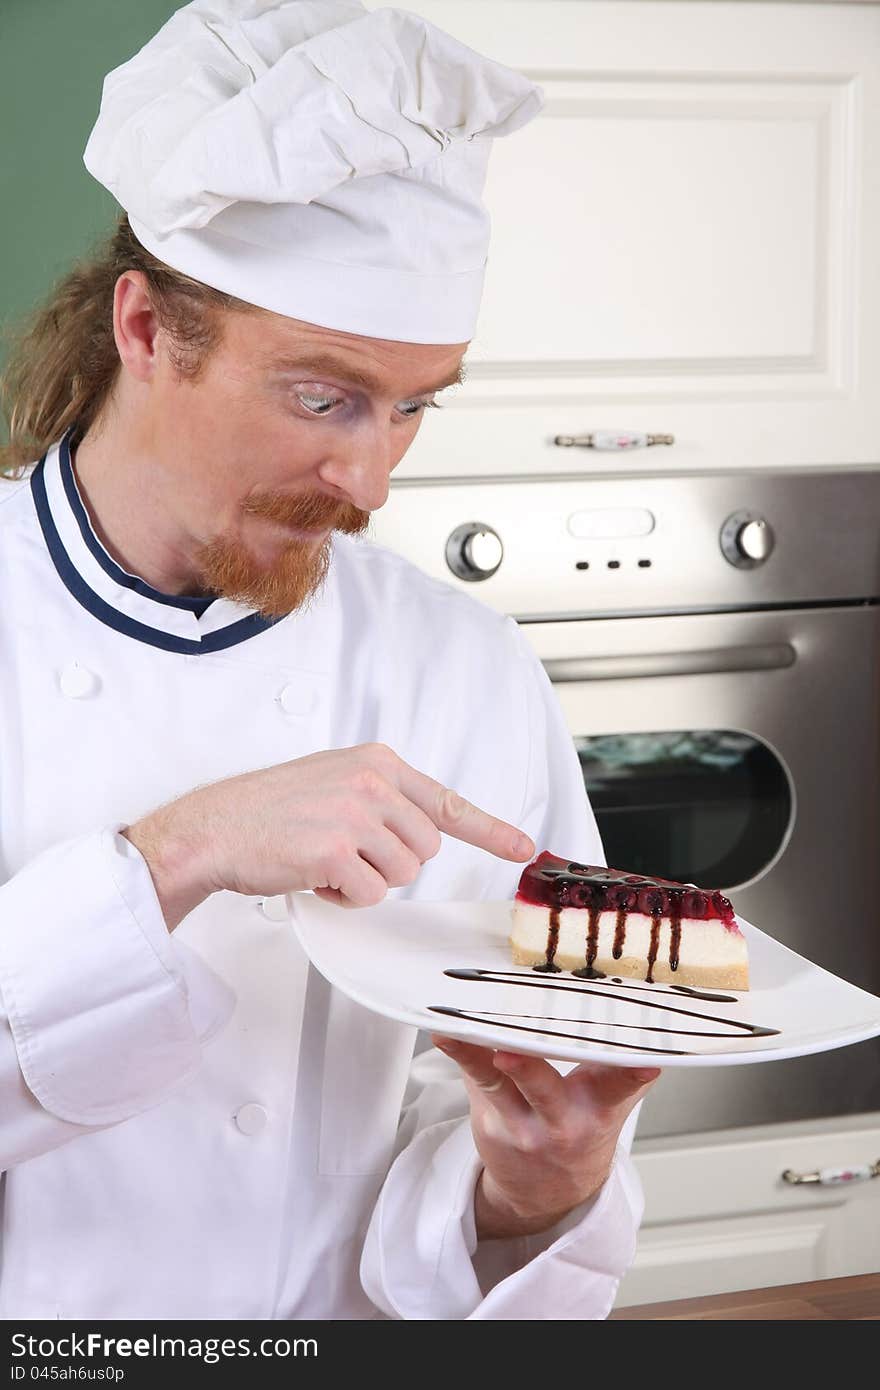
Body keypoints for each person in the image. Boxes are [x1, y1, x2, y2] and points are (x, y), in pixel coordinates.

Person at [0, 0, 658, 1320]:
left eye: (416, 404)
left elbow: (479, 1123)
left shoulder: (463, 667)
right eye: (323, 395)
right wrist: (171, 856)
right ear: (143, 328)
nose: (369, 477)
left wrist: (533, 1187)